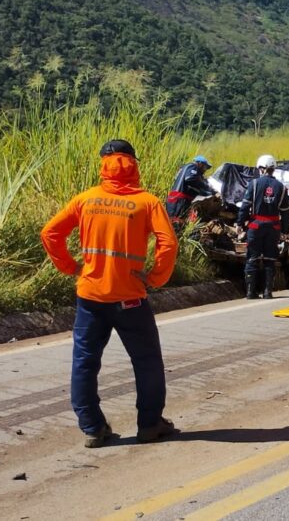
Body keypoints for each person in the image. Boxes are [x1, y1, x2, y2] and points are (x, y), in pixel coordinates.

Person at [40, 139, 180, 448]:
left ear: (104, 166)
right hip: (130, 298)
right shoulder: (147, 202)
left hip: (90, 297)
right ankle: (150, 424)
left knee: (85, 362)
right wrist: (156, 277)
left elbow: (50, 233)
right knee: (147, 363)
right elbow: (168, 243)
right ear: (133, 164)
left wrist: (70, 267)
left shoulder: (86, 200)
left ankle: (92, 428)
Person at [237, 154, 289, 299]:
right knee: (270, 259)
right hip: (273, 228)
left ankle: (250, 292)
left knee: (252, 258)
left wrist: (240, 223)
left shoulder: (253, 185)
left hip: (255, 226)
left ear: (261, 168)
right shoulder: (282, 188)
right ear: (273, 169)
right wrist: (285, 231)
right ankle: (267, 292)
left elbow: (245, 206)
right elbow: (285, 212)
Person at [166, 155, 216, 224]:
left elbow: (192, 186)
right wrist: (206, 186)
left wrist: (206, 192)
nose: (205, 170)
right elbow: (190, 179)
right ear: (200, 164)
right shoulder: (193, 166)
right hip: (179, 201)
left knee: (176, 223)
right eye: (205, 167)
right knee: (176, 222)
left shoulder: (185, 168)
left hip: (176, 199)